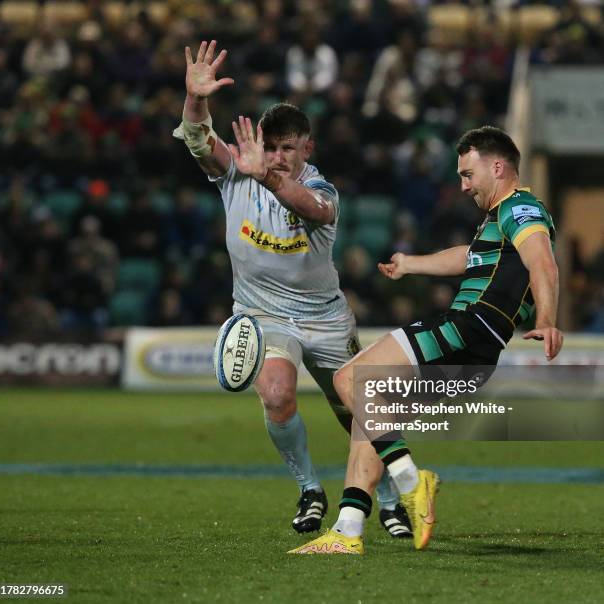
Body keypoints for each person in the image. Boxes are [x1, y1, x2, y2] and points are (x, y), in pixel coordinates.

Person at [173, 40, 410, 538]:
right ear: (259, 142)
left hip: (325, 318)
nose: (278, 156)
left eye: (288, 147)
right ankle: (309, 489)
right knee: (278, 395)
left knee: (357, 413)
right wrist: (196, 99)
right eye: (272, 145)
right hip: (262, 315)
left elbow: (312, 209)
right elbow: (198, 138)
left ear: (308, 149)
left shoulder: (323, 191)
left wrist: (272, 181)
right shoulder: (237, 172)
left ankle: (387, 498)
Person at [290, 125, 563, 554]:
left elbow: (543, 263)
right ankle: (347, 529)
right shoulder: (497, 221)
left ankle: (414, 483)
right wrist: (411, 264)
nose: (463, 185)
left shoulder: (520, 207)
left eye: (468, 174)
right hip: (480, 353)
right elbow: (466, 257)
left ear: (497, 166)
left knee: (350, 381)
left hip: (468, 328)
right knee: (375, 414)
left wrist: (547, 318)